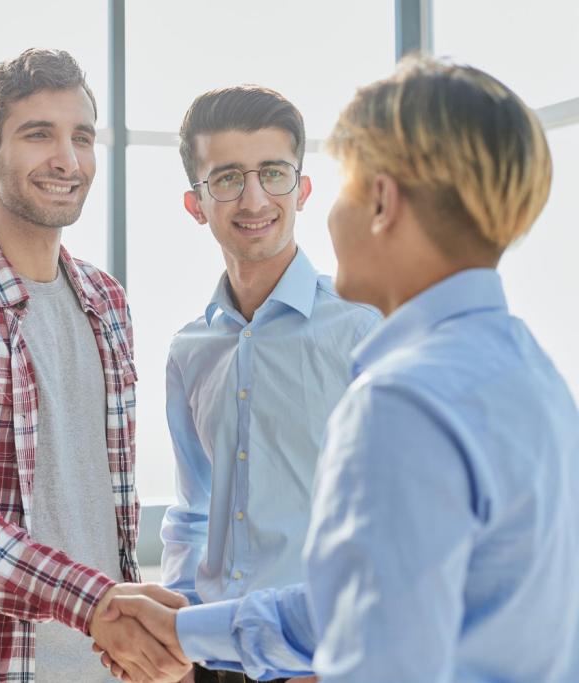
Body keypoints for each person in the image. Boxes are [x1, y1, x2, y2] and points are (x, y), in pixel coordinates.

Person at [98, 56, 579, 683]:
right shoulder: (534, 374)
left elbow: (378, 647)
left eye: (343, 185)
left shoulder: (401, 397)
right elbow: (368, 596)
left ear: (380, 201)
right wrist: (186, 633)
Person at [0, 48, 189, 683]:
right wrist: (94, 602)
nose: (67, 160)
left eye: (82, 137)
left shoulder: (107, 300)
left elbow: (106, 500)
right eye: (38, 134)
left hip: (108, 666)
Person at [161, 86, 377, 683]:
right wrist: (178, 634)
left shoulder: (364, 328)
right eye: (228, 178)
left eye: (274, 173)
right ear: (196, 204)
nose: (254, 198)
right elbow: (193, 511)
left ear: (302, 190)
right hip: (212, 655)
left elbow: (395, 518)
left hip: (319, 658)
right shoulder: (188, 351)